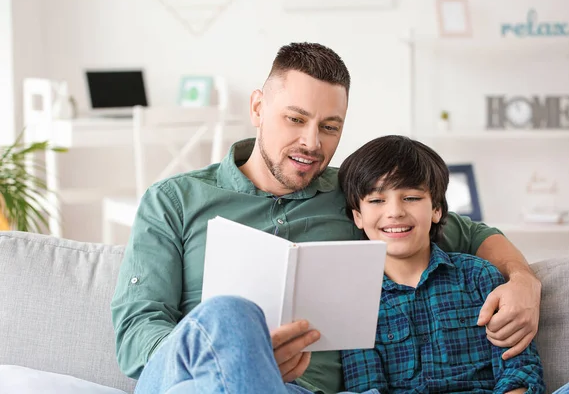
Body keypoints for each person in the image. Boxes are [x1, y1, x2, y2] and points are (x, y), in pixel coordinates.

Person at [111, 42, 542, 393]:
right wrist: (238, 353)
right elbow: (136, 333)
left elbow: (472, 234)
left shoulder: (361, 197)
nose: (312, 142)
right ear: (258, 108)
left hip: (300, 391)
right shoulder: (174, 199)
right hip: (190, 378)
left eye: (330, 127)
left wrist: (523, 280)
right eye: (295, 119)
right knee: (231, 316)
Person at [338, 135, 545, 393]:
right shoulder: (356, 301)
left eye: (411, 198)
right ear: (358, 216)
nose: (395, 212)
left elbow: (520, 371)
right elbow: (365, 387)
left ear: (436, 209)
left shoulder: (479, 276)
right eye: (377, 200)